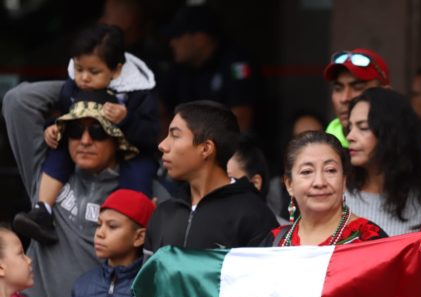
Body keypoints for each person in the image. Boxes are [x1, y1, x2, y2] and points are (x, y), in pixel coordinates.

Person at [2, 81, 168, 297]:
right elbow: (18, 100)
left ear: (117, 138)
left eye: (99, 132)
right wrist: (87, 84)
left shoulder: (143, 192)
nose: (85, 140)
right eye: (75, 130)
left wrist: (119, 86)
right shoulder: (45, 175)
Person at [13, 24, 159, 245]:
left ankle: (133, 234)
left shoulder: (137, 92)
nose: (84, 78)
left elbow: (150, 134)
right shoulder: (73, 87)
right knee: (59, 151)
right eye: (79, 69)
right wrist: (53, 128)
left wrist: (126, 119)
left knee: (138, 177)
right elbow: (65, 114)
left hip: (133, 150)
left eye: (94, 72)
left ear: (116, 70)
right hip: (80, 155)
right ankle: (43, 211)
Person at [145, 100, 278, 253]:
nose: (162, 145)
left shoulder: (254, 216)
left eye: (175, 135)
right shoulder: (163, 213)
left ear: (206, 148)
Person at [262, 131, 386, 246]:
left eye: (330, 170)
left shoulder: (370, 239)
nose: (319, 182)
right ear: (289, 184)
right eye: (307, 172)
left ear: (344, 180)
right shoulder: (275, 243)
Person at [345, 87, 421, 236]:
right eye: (350, 127)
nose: (350, 136)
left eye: (363, 127)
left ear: (392, 134)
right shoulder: (338, 195)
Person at [159, 5, 257, 133]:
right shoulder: (180, 67)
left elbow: (241, 120)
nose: (172, 43)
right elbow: (159, 109)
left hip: (221, 143)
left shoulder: (236, 63)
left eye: (178, 36)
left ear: (200, 39)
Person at [323, 48, 390, 147]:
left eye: (358, 87)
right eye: (338, 89)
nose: (344, 98)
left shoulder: (407, 143)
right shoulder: (324, 146)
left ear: (386, 93)